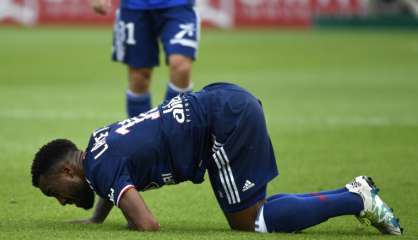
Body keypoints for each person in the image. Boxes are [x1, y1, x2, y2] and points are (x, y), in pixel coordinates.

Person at [30, 83, 403, 234]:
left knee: (252, 222)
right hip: (222, 102)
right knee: (255, 210)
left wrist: (126, 218)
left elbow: (147, 224)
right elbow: (110, 180)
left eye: (54, 192)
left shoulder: (100, 167)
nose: (60, 200)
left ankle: (356, 198)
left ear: (67, 169)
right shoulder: (97, 144)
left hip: (221, 126)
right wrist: (97, 218)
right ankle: (355, 193)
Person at [90, 0, 199, 117]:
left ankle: (174, 127)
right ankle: (141, 132)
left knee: (181, 66)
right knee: (139, 77)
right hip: (135, 7)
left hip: (178, 6)